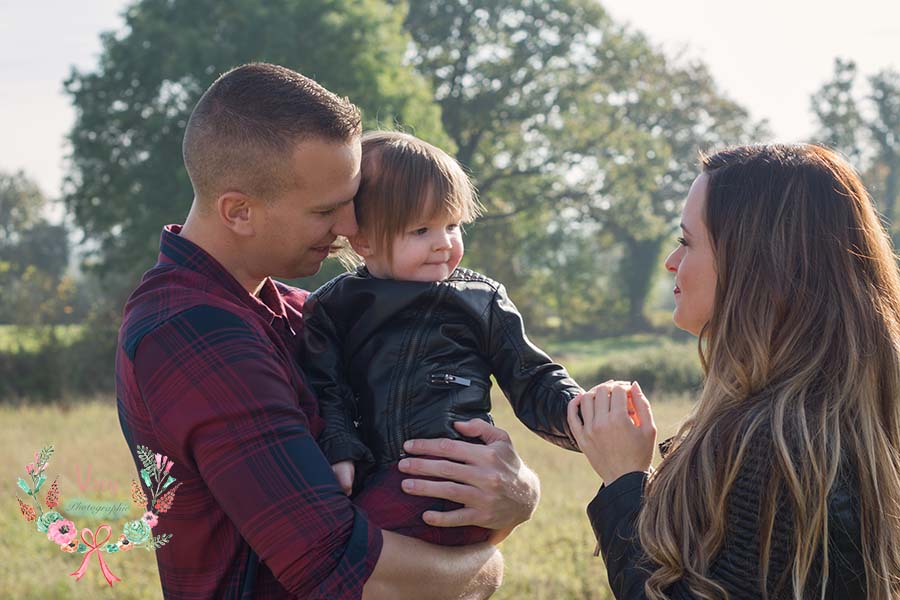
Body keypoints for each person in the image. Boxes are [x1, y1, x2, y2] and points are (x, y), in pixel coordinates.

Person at [116, 63, 541, 600]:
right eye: (326, 210)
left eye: (351, 201)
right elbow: (340, 572)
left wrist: (518, 492)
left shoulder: (304, 311)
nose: (350, 227)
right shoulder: (188, 332)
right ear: (239, 211)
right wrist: (487, 565)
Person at [568, 144, 900, 599]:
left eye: (687, 241)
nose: (671, 260)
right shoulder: (834, 419)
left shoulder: (773, 445)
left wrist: (624, 482)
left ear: (754, 263)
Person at [302, 131, 582, 545]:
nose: (444, 244)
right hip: (376, 477)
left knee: (355, 549)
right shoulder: (334, 307)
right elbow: (327, 389)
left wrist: (583, 415)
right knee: (344, 545)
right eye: (420, 230)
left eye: (452, 225)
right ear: (363, 241)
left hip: (464, 476)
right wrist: (340, 450)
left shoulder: (480, 300)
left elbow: (532, 377)